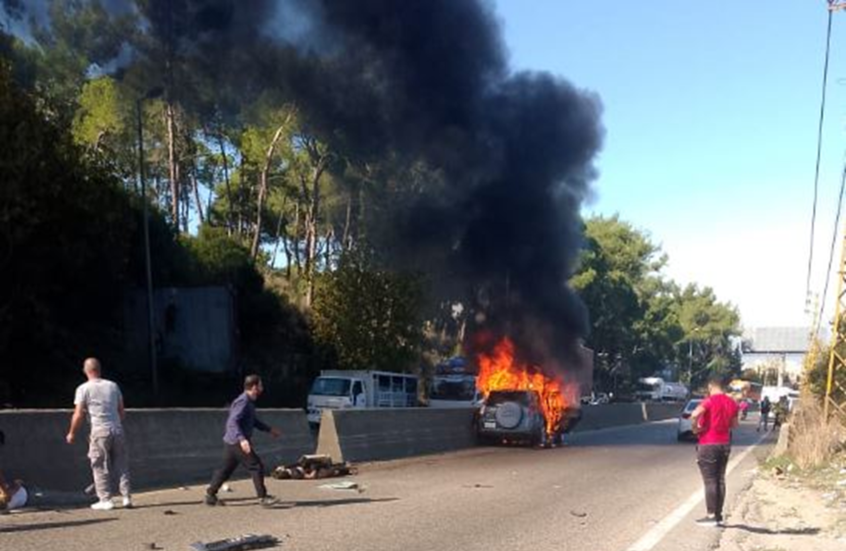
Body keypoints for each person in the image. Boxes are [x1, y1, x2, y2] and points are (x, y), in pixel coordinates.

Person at [66, 358, 132, 511]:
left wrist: (71, 433)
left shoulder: (83, 389)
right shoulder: (113, 386)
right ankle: (126, 497)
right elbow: (122, 411)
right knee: (121, 463)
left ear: (85, 370)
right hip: (117, 429)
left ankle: (105, 499)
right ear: (99, 369)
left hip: (99, 430)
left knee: (99, 464)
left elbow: (78, 414)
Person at [205, 375, 281, 507]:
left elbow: (253, 421)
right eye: (260, 386)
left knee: (225, 470)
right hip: (236, 441)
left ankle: (210, 495)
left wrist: (269, 430)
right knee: (256, 466)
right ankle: (263, 498)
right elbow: (232, 422)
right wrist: (242, 440)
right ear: (254, 387)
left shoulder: (249, 402)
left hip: (231, 442)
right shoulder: (243, 401)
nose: (262, 389)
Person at [690, 376, 739, 527]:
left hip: (708, 443)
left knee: (710, 481)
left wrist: (695, 428)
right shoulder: (732, 402)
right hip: (724, 444)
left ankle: (711, 515)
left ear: (711, 386)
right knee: (720, 479)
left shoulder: (709, 401)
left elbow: (695, 414)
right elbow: (735, 425)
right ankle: (718, 515)